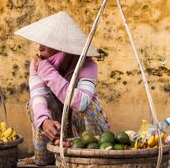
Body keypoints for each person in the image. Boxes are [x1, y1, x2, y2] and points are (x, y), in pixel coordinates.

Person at [15, 11, 110, 166]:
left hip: (86, 135)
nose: (39, 47)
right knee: (33, 105)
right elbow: (38, 95)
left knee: (88, 105)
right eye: (40, 42)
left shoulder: (87, 65)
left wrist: (46, 71)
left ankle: (89, 156)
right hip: (57, 126)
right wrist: (44, 121)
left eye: (48, 42)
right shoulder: (36, 64)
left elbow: (81, 103)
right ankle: (47, 153)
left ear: (63, 46)